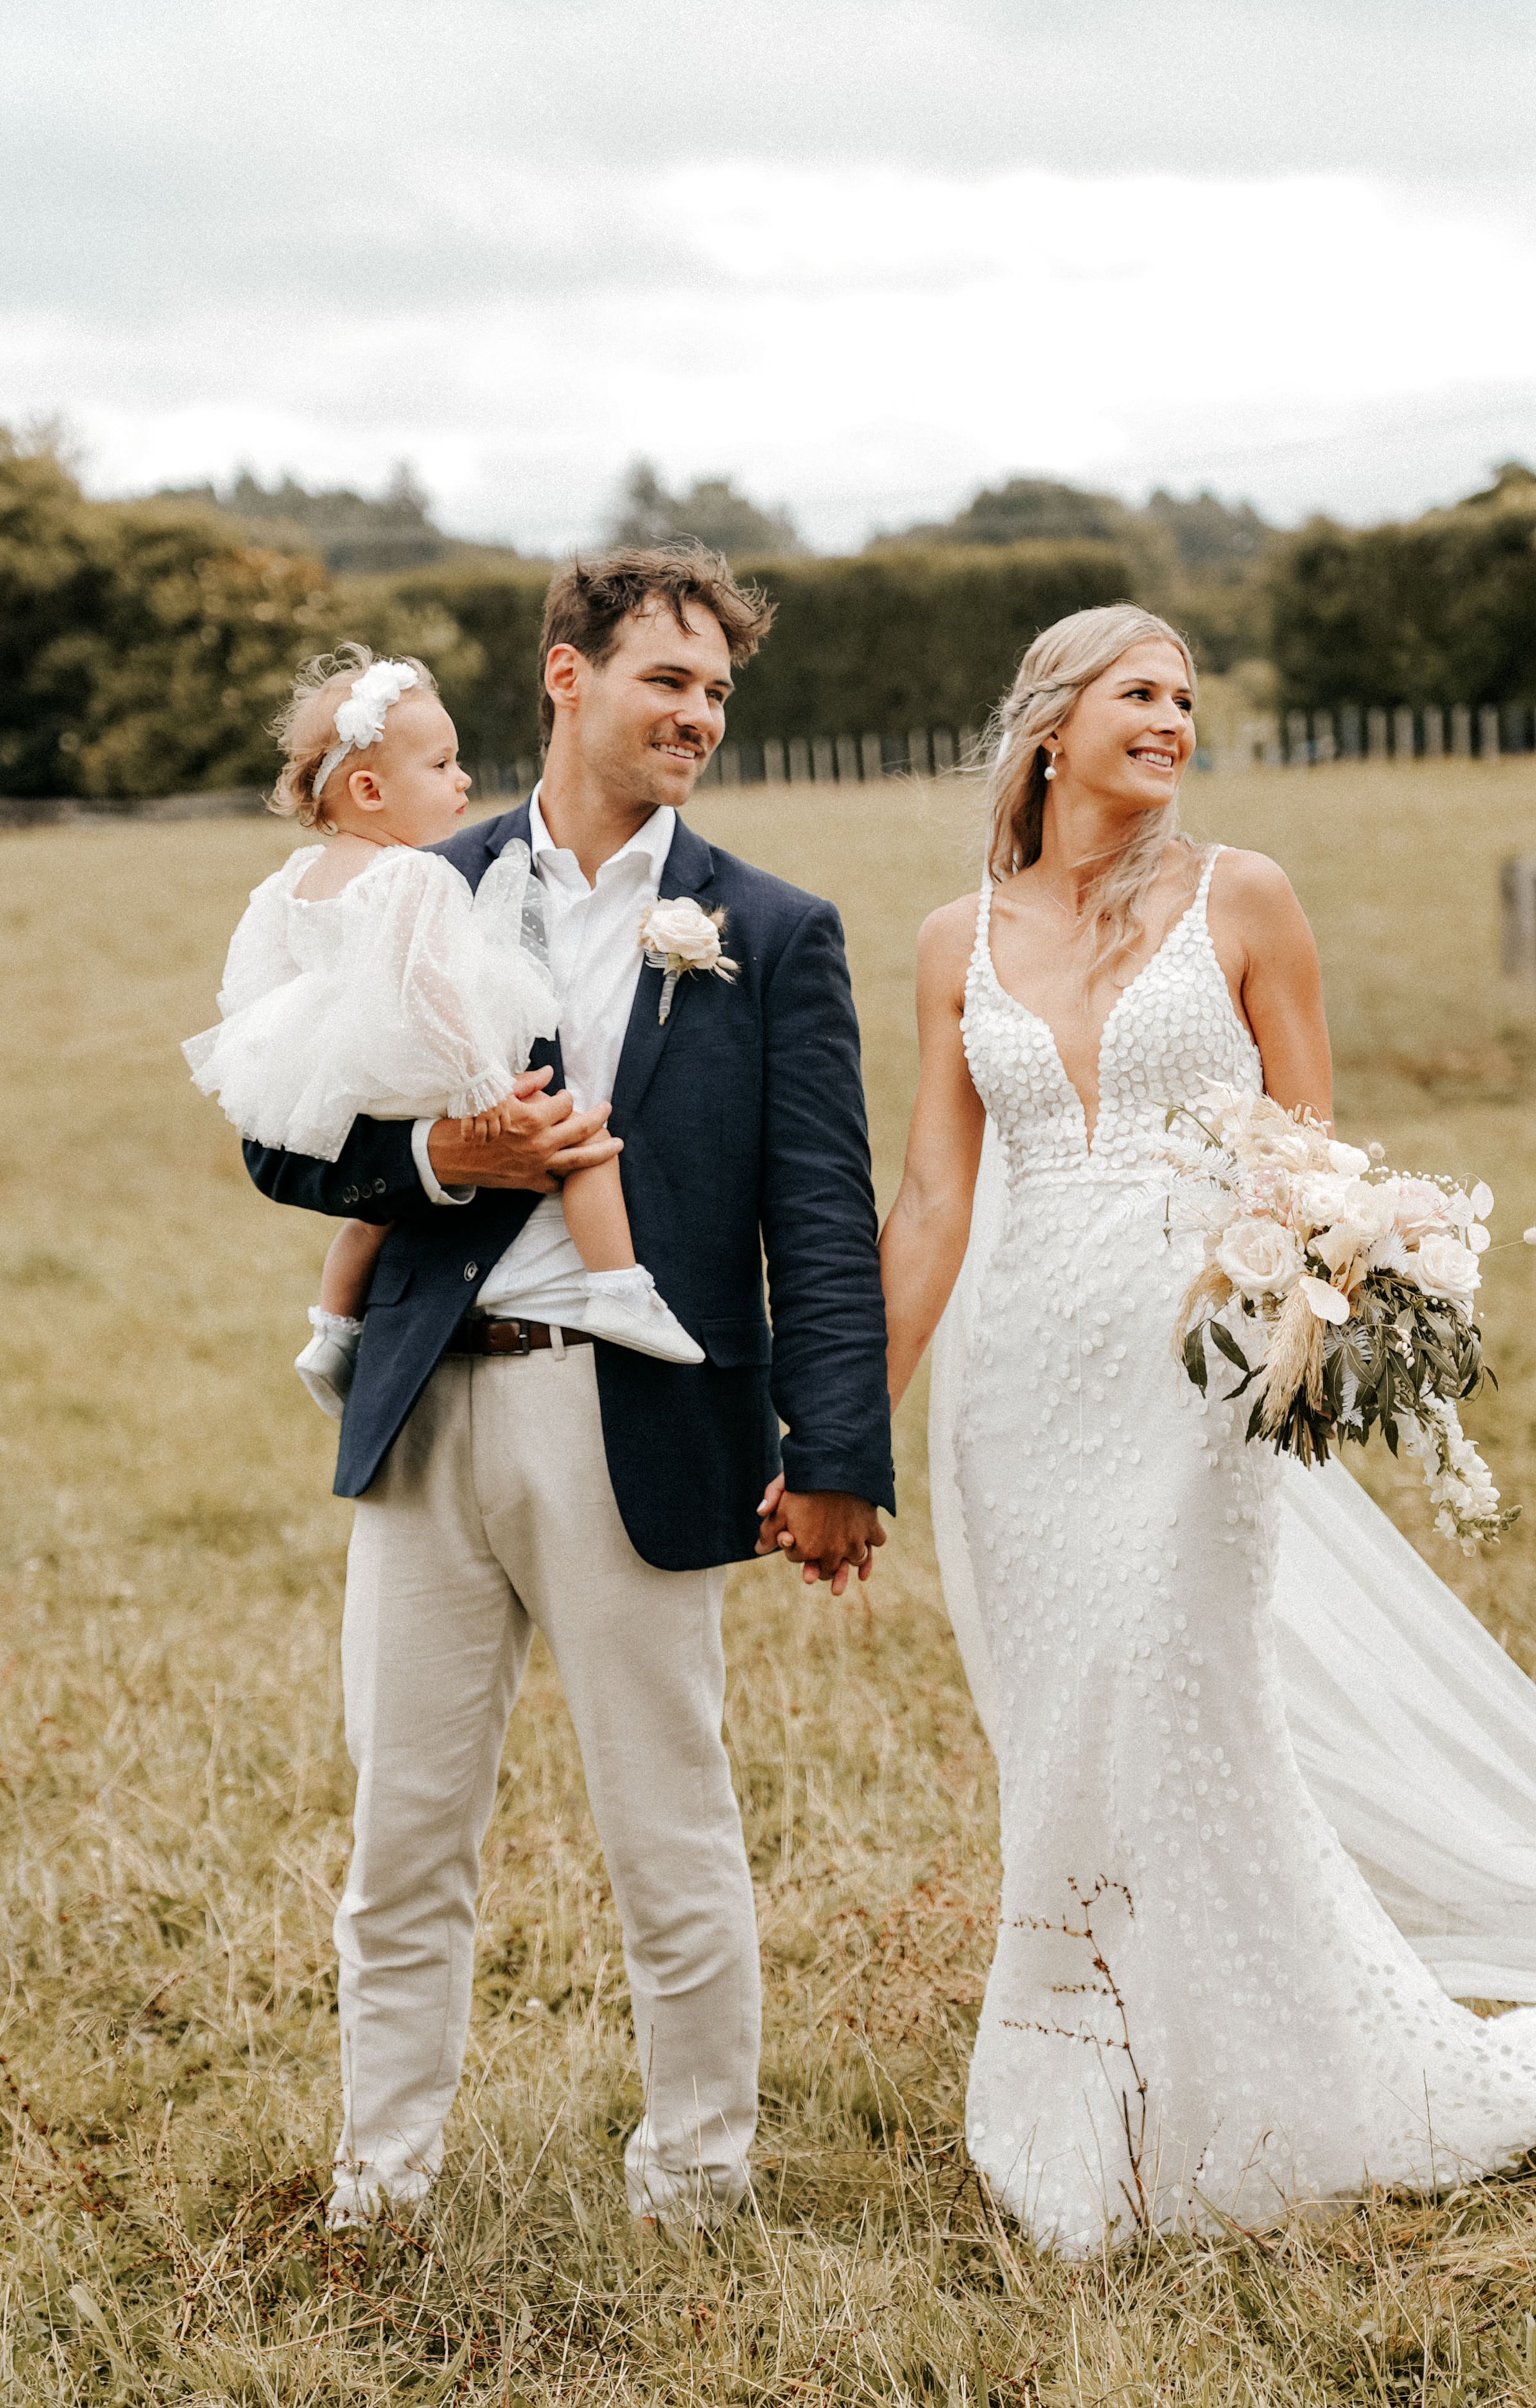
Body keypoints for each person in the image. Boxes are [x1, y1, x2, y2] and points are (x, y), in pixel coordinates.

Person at [878, 601, 1536, 2255]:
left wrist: (1324, 1299)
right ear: (1049, 726)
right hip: (1014, 1399)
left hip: (1197, 1374)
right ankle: (1098, 2074)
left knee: (1179, 1685)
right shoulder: (953, 939)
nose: (1173, 717)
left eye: (1187, 697)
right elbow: (930, 1193)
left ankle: (1275, 2076)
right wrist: (848, 1425)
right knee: (1064, 1721)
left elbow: (1316, 1153)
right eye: (1140, 691)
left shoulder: (1246, 896)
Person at [242, 545, 893, 2230]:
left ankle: (697, 2180)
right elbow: (281, 1131)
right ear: (565, 674)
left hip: (644, 1413)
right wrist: (444, 1156)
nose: (698, 711)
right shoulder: (406, 872)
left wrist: (838, 1449)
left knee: (670, 1831)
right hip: (428, 1403)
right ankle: (378, 2183)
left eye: (718, 692)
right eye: (667, 677)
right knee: (405, 1833)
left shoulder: (771, 932)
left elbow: (819, 1216)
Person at [184, 647, 704, 1406]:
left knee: (379, 1211)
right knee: (582, 1141)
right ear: (369, 788)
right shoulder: (412, 874)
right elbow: (428, 989)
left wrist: (295, 1050)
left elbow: (257, 979)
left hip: (341, 1068)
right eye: (442, 765)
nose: (462, 781)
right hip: (431, 1060)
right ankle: (621, 1290)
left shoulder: (292, 878)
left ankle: (332, 1328)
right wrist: (484, 1084)